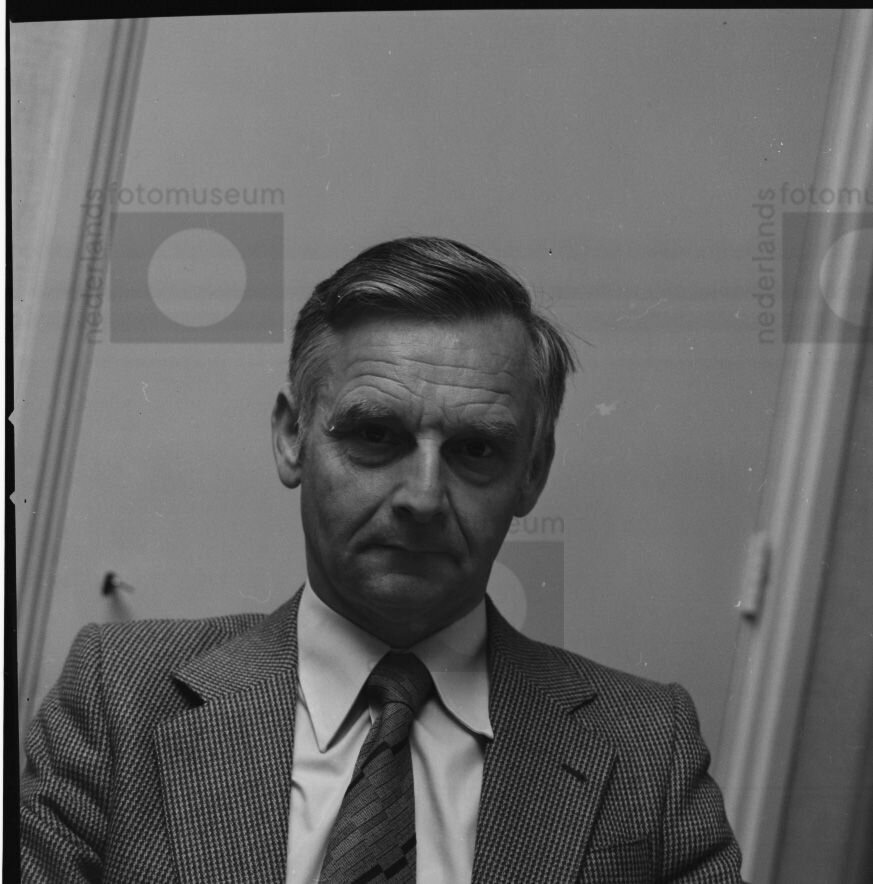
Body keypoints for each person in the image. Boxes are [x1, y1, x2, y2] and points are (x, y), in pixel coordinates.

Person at [21, 237, 743, 882]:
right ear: (292, 438)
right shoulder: (121, 696)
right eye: (374, 435)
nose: (423, 497)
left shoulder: (647, 751)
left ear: (532, 473)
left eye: (476, 449)